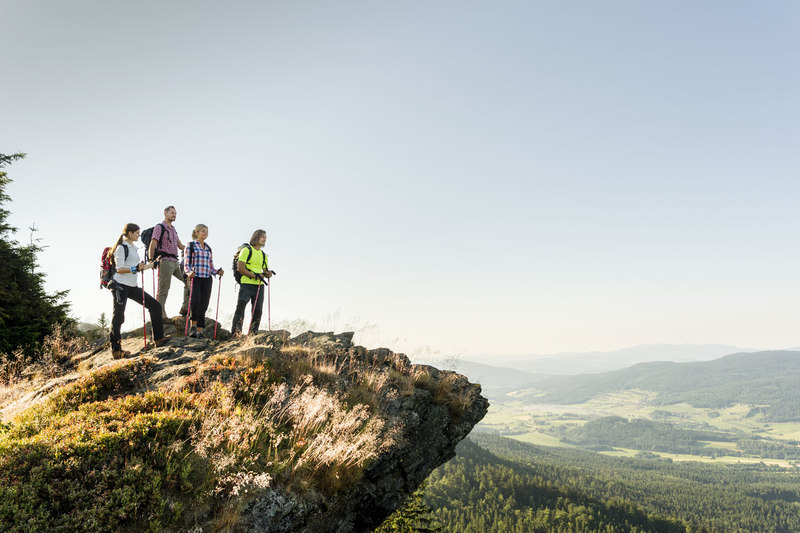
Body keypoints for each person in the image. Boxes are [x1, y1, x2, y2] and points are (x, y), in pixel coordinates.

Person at [107, 223, 170, 358]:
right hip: (120, 285)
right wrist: (136, 268)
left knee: (155, 305)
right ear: (129, 233)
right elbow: (120, 269)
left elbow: (137, 267)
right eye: (137, 233)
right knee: (118, 317)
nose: (139, 235)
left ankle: (158, 339)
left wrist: (151, 265)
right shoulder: (121, 247)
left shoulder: (134, 248)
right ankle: (116, 350)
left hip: (132, 286)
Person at [148, 205, 190, 318]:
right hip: (164, 260)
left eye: (175, 213)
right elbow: (153, 243)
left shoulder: (173, 230)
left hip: (175, 261)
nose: (174, 215)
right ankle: (160, 315)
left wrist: (193, 247)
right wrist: (151, 260)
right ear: (165, 213)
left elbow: (181, 246)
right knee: (163, 289)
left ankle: (185, 308)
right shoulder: (159, 227)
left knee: (188, 280)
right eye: (172, 213)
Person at [184, 224, 224, 338]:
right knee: (195, 301)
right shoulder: (190, 245)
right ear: (196, 232)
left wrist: (217, 272)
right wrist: (189, 273)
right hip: (195, 277)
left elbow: (211, 266)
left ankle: (200, 330)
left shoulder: (208, 248)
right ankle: (193, 327)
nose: (205, 233)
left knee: (204, 304)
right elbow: (186, 264)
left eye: (207, 231)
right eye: (203, 231)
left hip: (207, 278)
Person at [231, 229, 273, 336]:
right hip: (246, 284)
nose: (265, 239)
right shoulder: (246, 250)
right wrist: (255, 275)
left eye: (265, 237)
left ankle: (253, 333)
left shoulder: (263, 255)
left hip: (259, 285)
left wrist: (268, 274)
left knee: (258, 310)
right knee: (241, 307)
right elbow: (240, 268)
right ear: (256, 237)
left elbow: (264, 271)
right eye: (262, 237)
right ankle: (236, 333)